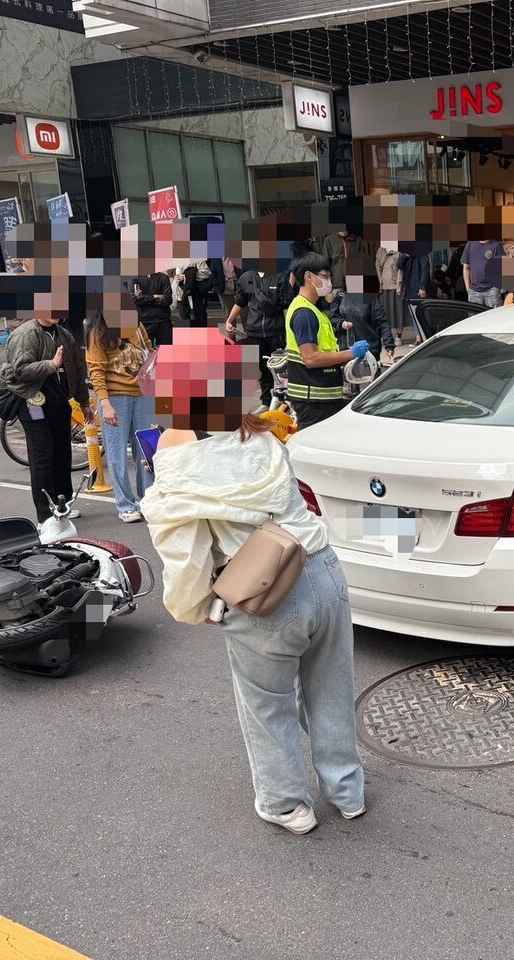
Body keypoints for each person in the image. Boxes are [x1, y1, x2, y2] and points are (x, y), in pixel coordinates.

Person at [140, 329, 366, 835]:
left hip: (264, 591)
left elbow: (187, 549)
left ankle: (288, 805)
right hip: (323, 571)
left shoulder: (179, 444)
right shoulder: (261, 430)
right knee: (331, 689)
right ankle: (348, 791)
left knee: (268, 705)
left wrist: (193, 606)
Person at [0, 310, 92, 522]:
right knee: (43, 456)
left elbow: (77, 369)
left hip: (58, 400)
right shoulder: (25, 334)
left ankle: (63, 504)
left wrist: (84, 402)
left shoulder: (64, 334)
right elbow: (20, 370)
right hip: (32, 401)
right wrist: (51, 365)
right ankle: (46, 515)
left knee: (62, 453)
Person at [284, 252, 371, 428]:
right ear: (309, 277)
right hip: (314, 401)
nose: (329, 282)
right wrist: (350, 353)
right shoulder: (304, 313)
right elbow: (310, 358)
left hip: (322, 398)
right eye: (324, 276)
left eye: (330, 277)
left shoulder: (312, 310)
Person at [86, 309, 155, 523]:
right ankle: (125, 505)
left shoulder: (137, 326)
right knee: (116, 454)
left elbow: (149, 352)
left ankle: (148, 499)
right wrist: (105, 404)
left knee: (146, 450)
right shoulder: (98, 331)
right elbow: (96, 370)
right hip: (115, 397)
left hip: (142, 394)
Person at [226, 268, 295, 408]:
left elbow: (286, 306)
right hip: (254, 332)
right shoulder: (246, 278)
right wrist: (229, 320)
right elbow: (240, 301)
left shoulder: (279, 278)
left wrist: (290, 332)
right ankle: (266, 402)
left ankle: (284, 402)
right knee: (263, 369)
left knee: (281, 370)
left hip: (276, 332)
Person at [328, 254, 395, 364]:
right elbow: (333, 318)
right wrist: (341, 324)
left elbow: (382, 323)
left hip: (368, 351)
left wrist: (389, 345)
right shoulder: (341, 295)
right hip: (346, 350)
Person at [376, 246, 413, 345]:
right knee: (384, 312)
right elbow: (378, 267)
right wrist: (379, 283)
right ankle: (386, 336)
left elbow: (402, 268)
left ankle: (399, 336)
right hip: (384, 286)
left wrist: (399, 285)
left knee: (399, 311)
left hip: (398, 286)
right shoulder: (381, 250)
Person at [461, 236, 506, 307]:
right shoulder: (470, 244)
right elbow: (466, 267)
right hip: (474, 290)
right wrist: (467, 288)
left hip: (492, 289)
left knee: (494, 316)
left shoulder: (496, 245)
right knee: (475, 316)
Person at [133, 269, 174, 346]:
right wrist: (155, 296)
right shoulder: (135, 279)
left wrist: (144, 297)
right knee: (147, 355)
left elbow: (168, 300)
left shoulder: (163, 277)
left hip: (163, 321)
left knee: (166, 354)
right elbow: (136, 300)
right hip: (144, 321)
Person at [319, 228, 351, 293]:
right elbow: (325, 264)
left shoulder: (356, 239)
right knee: (337, 302)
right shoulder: (329, 240)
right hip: (337, 283)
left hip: (355, 282)